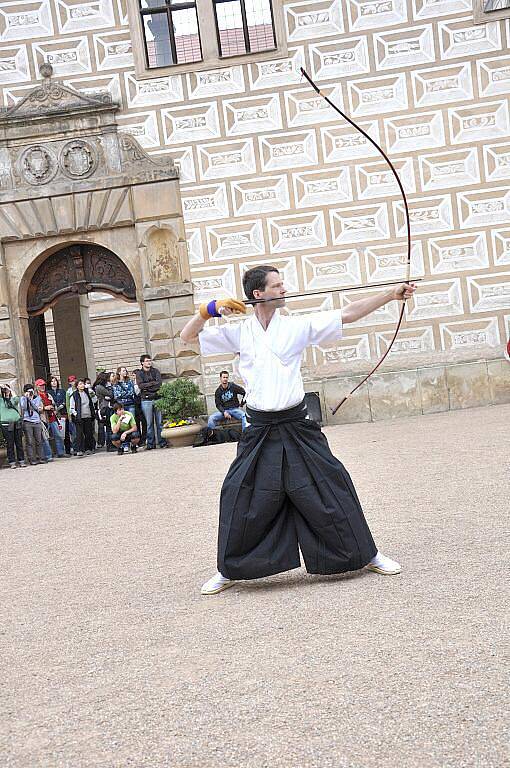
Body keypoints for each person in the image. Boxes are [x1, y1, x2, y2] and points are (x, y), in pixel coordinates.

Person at [180, 265, 417, 595]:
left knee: (332, 483)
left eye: (282, 284)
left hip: (296, 424)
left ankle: (369, 554)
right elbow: (187, 337)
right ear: (257, 294)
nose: (284, 289)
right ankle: (229, 569)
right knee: (238, 492)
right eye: (277, 286)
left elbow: (348, 314)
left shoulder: (297, 326)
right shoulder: (240, 332)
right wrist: (209, 309)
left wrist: (390, 295)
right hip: (260, 427)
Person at [135, 355, 167, 450]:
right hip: (146, 400)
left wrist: (148, 386)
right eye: (147, 361)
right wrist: (153, 383)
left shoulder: (155, 371)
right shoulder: (139, 374)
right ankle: (150, 444)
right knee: (149, 423)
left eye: (150, 360)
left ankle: (162, 442)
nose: (149, 362)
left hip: (157, 399)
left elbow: (159, 384)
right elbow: (141, 386)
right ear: (142, 363)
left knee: (159, 422)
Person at [35, 378, 65, 459]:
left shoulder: (48, 394)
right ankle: (48, 456)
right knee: (45, 438)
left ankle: (60, 452)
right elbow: (35, 408)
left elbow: (54, 404)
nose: (42, 387)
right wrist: (45, 408)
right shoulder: (36, 396)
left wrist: (54, 410)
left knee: (58, 435)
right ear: (37, 386)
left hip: (52, 417)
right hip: (43, 419)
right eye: (41, 385)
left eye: (43, 385)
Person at [0, 383, 26, 468]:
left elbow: (16, 399)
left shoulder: (13, 399)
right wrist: (1, 386)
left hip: (16, 423)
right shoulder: (0, 400)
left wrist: (10, 389)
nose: (6, 391)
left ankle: (21, 460)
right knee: (10, 444)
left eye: (7, 389)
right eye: (5, 389)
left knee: (19, 443)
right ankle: (12, 462)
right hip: (6, 424)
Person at [20, 384, 47, 465]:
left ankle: (41, 458)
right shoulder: (22, 398)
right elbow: (23, 407)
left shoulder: (37, 398)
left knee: (39, 440)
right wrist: (26, 398)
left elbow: (36, 408)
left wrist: (30, 400)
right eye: (28, 391)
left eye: (31, 390)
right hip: (27, 421)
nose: (30, 392)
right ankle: (32, 459)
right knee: (30, 441)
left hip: (36, 421)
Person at [69, 378, 96, 457]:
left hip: (88, 415)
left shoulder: (87, 393)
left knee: (88, 433)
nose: (82, 385)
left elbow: (94, 400)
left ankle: (89, 448)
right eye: (80, 384)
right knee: (79, 434)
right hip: (79, 417)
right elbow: (72, 407)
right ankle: (79, 449)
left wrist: (92, 393)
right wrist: (76, 414)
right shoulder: (74, 395)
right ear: (77, 386)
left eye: (83, 384)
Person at [93, 371, 114, 451]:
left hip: (106, 407)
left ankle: (111, 444)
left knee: (109, 427)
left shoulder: (100, 387)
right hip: (104, 408)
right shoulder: (99, 387)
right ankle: (109, 445)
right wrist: (109, 387)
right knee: (108, 427)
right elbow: (110, 394)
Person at [65, 375, 78, 455]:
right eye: (71, 381)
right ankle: (75, 448)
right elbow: (67, 404)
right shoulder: (68, 392)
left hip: (80, 412)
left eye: (74, 380)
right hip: (72, 413)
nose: (73, 382)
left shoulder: (79, 388)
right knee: (74, 433)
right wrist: (69, 415)